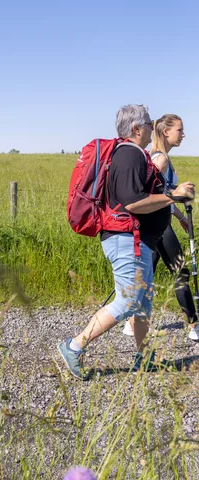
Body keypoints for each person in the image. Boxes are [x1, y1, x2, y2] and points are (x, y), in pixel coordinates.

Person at [58, 105, 195, 379]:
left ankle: (144, 358)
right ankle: (73, 346)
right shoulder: (130, 154)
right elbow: (133, 202)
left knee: (143, 301)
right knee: (128, 300)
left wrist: (173, 197)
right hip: (126, 238)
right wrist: (173, 197)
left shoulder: (134, 155)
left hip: (136, 240)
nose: (151, 125)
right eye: (147, 122)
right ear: (136, 129)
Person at [123, 114, 199, 341]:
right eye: (180, 130)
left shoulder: (161, 157)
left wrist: (179, 216)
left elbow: (165, 194)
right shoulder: (160, 159)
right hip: (157, 225)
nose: (183, 134)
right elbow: (150, 193)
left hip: (159, 223)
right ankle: (194, 326)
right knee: (180, 271)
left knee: (146, 276)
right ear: (166, 132)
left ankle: (131, 323)